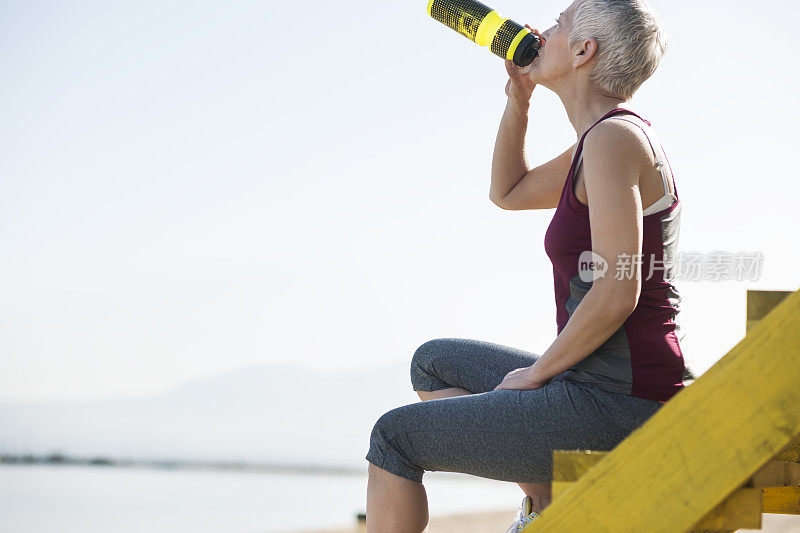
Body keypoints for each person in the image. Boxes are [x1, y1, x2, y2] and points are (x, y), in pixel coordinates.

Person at [364, 1, 689, 531]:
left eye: (560, 23)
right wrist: (520, 100)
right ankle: (545, 505)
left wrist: (538, 373)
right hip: (593, 385)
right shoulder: (597, 141)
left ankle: (547, 502)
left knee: (394, 435)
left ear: (585, 51)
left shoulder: (615, 141)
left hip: (622, 401)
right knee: (433, 362)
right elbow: (508, 192)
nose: (544, 29)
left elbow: (616, 290)